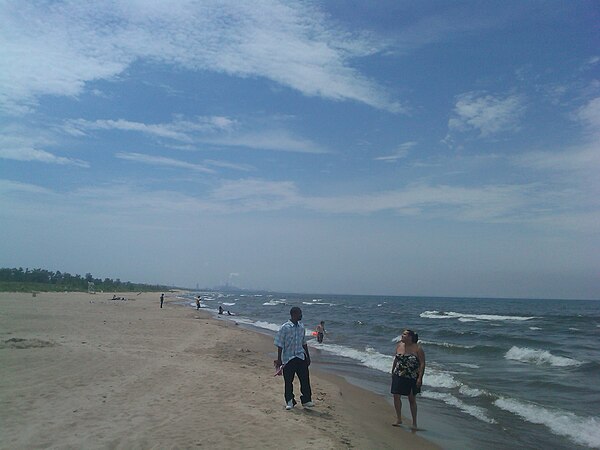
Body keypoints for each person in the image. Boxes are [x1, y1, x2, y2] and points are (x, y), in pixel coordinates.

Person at [274, 306, 314, 410]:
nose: (301, 315)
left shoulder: (301, 327)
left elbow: (304, 342)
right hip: (289, 358)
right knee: (288, 381)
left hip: (300, 356)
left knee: (305, 379)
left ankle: (306, 400)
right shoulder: (285, 327)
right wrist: (279, 359)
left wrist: (308, 356)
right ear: (294, 314)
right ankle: (290, 401)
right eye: (300, 313)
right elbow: (280, 344)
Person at [391, 329, 425, 430]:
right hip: (398, 374)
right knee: (396, 396)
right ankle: (398, 418)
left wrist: (420, 378)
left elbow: (422, 363)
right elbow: (396, 359)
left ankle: (414, 423)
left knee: (411, 399)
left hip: (412, 376)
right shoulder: (399, 345)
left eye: (405, 334)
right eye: (402, 334)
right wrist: (392, 371)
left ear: (410, 337)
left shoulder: (418, 349)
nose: (402, 336)